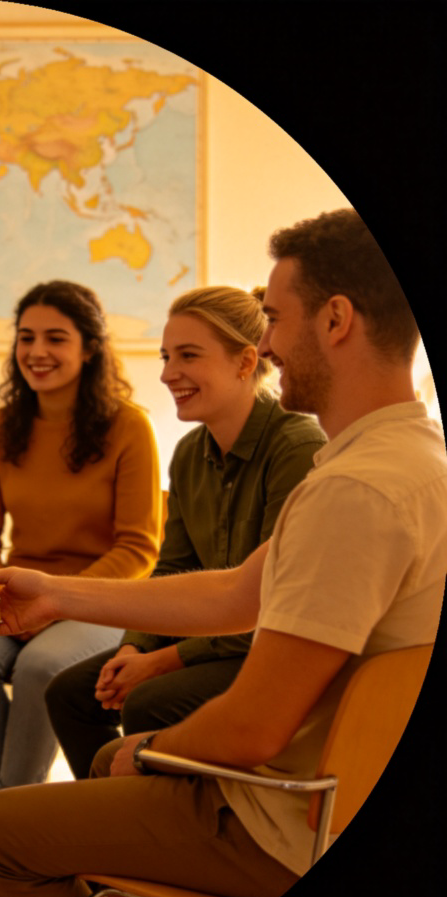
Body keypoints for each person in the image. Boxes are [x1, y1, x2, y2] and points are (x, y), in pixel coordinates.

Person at [0, 209, 447, 897]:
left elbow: (253, 728)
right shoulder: (409, 460)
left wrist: (146, 752)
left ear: (336, 319)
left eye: (276, 317)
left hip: (291, 821)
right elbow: (231, 592)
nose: (270, 343)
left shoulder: (351, 491)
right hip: (324, 795)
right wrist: (54, 591)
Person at [45, 285, 326, 781]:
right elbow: (172, 567)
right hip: (207, 640)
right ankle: (107, 826)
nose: (167, 373)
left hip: (267, 651)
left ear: (244, 362)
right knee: (69, 694)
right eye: (166, 355)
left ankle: (162, 840)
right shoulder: (189, 452)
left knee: (150, 701)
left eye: (188, 356)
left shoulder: (296, 445)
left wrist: (162, 662)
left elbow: (272, 606)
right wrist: (135, 647)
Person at [0, 279, 161, 897]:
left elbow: (139, 548)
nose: (37, 351)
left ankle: (5, 837)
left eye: (55, 338)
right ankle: (25, 830)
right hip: (13, 593)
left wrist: (57, 600)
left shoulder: (130, 427)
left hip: (101, 597)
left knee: (40, 666)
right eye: (27, 337)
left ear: (89, 348)